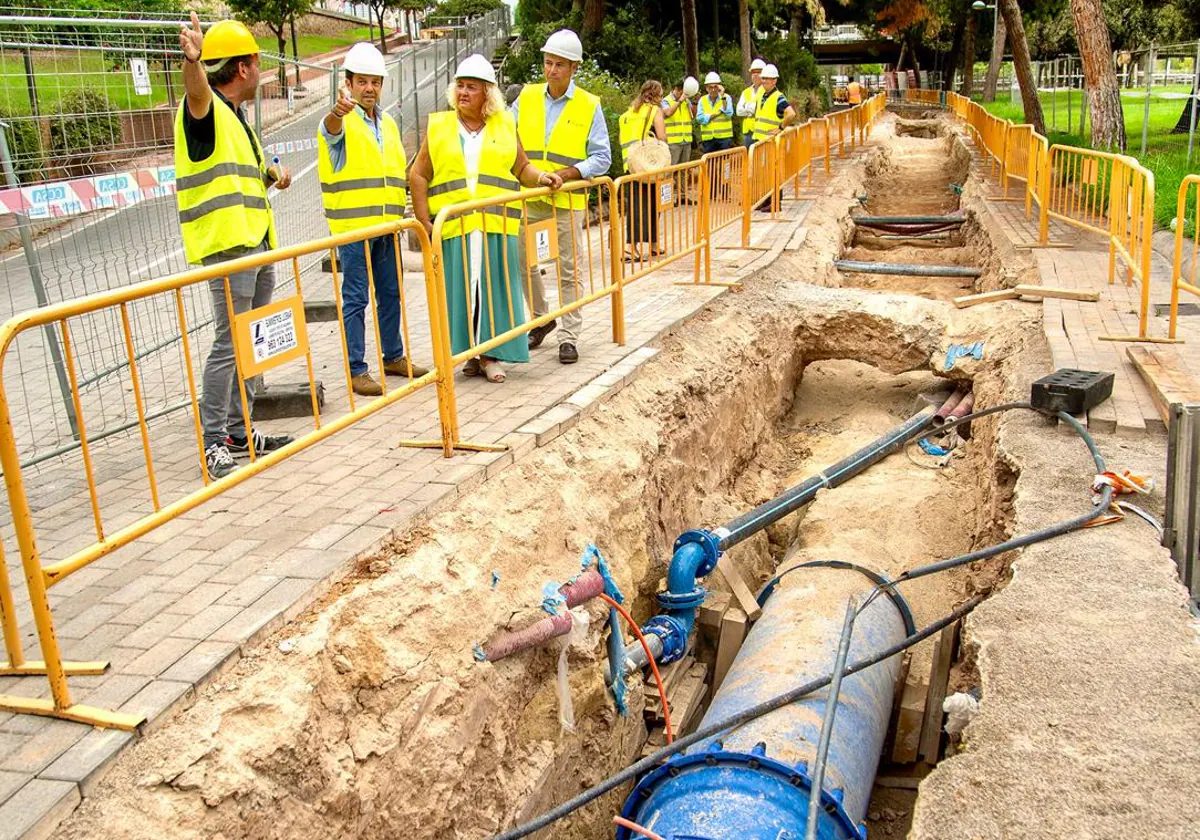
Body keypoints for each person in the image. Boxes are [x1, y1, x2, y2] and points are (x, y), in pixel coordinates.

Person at [175, 13, 294, 480]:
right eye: (256, 62)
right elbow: (196, 93)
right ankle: (214, 442)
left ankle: (241, 430)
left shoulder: (236, 119)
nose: (260, 70)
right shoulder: (204, 109)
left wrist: (273, 175)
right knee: (229, 343)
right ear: (243, 68)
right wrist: (193, 62)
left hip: (256, 242)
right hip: (230, 246)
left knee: (249, 341)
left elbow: (250, 167)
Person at [409, 55, 563, 384]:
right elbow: (418, 175)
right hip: (455, 227)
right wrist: (424, 223)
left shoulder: (505, 124)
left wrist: (542, 178)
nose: (463, 93)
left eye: (471, 87)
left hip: (496, 225)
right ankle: (472, 355)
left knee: (494, 291)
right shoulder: (440, 126)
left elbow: (521, 168)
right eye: (460, 86)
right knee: (462, 294)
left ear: (487, 93)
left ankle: (489, 354)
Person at [318, 42, 429, 397]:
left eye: (375, 82)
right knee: (355, 299)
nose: (369, 88)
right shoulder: (340, 121)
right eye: (362, 82)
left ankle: (393, 356)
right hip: (353, 230)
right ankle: (357, 369)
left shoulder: (389, 124)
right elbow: (330, 128)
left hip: (387, 227)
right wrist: (337, 112)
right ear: (348, 84)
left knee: (391, 293)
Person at [512, 29, 612, 365]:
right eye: (548, 62)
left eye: (559, 64)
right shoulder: (526, 98)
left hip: (567, 199)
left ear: (573, 68)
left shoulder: (588, 105)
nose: (551, 70)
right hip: (531, 195)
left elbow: (602, 156)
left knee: (569, 270)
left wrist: (568, 174)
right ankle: (542, 319)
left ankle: (569, 337)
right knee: (524, 262)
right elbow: (506, 134)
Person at [617, 81, 667, 263]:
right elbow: (661, 137)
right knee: (646, 206)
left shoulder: (627, 114)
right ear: (656, 95)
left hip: (630, 165)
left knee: (641, 204)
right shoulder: (654, 111)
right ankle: (630, 247)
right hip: (648, 165)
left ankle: (653, 243)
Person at [752, 64, 797, 213]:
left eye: (767, 79)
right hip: (760, 140)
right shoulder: (762, 95)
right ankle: (766, 200)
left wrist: (780, 127)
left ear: (774, 81)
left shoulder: (778, 97)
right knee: (764, 173)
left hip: (771, 141)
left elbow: (791, 114)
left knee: (773, 172)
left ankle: (776, 202)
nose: (764, 81)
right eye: (763, 78)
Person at [697, 71, 734, 155]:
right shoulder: (702, 100)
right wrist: (718, 113)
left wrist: (723, 96)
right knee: (710, 165)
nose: (713, 90)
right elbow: (699, 119)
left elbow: (729, 114)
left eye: (715, 87)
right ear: (706, 88)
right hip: (708, 139)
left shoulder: (726, 97)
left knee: (725, 164)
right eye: (710, 87)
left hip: (724, 138)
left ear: (719, 87)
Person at [662, 78, 696, 166]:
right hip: (673, 143)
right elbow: (668, 112)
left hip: (686, 141)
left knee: (684, 170)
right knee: (671, 170)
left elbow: (693, 116)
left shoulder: (686, 101)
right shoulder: (666, 100)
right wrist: (679, 101)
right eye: (683, 93)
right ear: (677, 89)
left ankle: (683, 181)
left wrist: (695, 102)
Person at [736, 58, 766, 148]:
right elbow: (738, 111)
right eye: (753, 72)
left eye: (758, 72)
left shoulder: (767, 92)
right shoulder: (746, 92)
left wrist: (746, 107)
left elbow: (758, 109)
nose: (755, 75)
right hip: (748, 133)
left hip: (762, 132)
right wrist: (752, 110)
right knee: (749, 160)